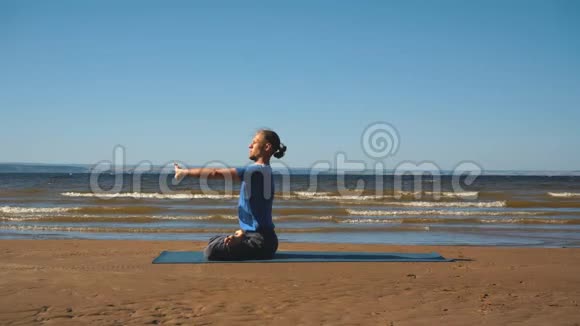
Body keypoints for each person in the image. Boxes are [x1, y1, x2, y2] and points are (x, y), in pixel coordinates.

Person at [174, 129, 287, 260]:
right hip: (260, 237)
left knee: (211, 251)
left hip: (261, 241)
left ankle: (241, 238)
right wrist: (244, 233)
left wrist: (184, 172)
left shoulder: (255, 171)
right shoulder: (263, 171)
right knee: (213, 240)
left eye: (254, 143)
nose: (249, 146)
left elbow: (215, 173)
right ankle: (241, 236)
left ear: (267, 147)